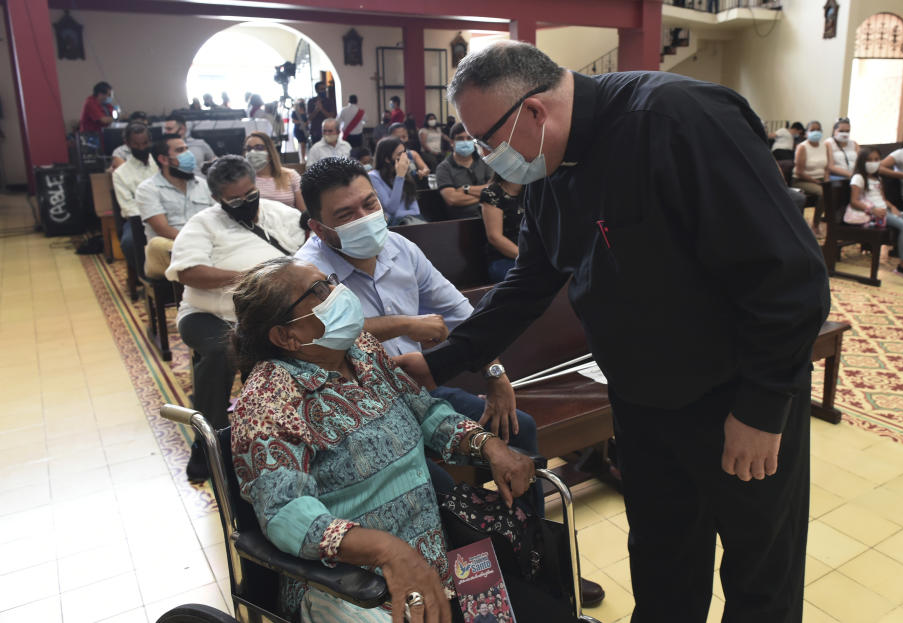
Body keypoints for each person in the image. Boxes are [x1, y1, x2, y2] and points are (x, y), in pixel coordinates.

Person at [410, 41, 829, 623]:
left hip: (737, 395)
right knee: (661, 564)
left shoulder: (680, 120)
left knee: (760, 575)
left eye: (488, 141)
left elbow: (791, 280)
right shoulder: (549, 166)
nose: (485, 158)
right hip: (642, 401)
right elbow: (530, 284)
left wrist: (761, 408)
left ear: (534, 112)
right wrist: (441, 361)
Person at [292, 159, 606, 610]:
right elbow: (314, 338)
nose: (365, 218)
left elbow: (464, 314)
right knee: (444, 492)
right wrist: (404, 323)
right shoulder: (304, 276)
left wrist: (496, 374)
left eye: (370, 203)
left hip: (419, 393)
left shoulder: (400, 248)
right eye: (346, 215)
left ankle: (538, 562)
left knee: (518, 429)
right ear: (319, 229)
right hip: (362, 415)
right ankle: (474, 584)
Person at [228, 256, 570, 623]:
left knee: (551, 613)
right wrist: (386, 551)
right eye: (318, 291)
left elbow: (426, 413)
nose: (336, 291)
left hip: (438, 553)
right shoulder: (268, 397)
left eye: (328, 280)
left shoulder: (362, 351)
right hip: (351, 585)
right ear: (285, 335)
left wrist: (490, 446)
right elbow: (285, 514)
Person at [166, 155, 304, 482]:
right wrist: (251, 277)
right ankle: (208, 443)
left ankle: (296, 432)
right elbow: (189, 272)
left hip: (272, 314)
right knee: (221, 351)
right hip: (210, 315)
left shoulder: (282, 215)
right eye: (236, 199)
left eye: (251, 194)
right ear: (217, 199)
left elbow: (311, 252)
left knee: (312, 341)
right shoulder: (202, 224)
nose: (247, 203)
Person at [136, 134, 214, 277]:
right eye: (180, 150)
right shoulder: (148, 189)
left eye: (186, 149)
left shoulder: (202, 184)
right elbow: (162, 229)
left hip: (206, 244)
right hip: (171, 248)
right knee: (159, 245)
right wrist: (196, 242)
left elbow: (217, 216)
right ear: (163, 159)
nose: (188, 154)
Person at [848, 147, 903, 281]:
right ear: (862, 162)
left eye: (876, 160)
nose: (873, 163)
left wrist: (893, 207)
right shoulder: (858, 178)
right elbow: (854, 201)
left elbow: (883, 199)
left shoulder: (878, 178)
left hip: (885, 210)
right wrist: (872, 210)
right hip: (874, 214)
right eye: (869, 160)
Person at [111, 123, 158, 261]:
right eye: (136, 145)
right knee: (129, 243)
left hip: (169, 214)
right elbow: (129, 208)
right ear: (127, 144)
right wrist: (154, 218)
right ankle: (147, 277)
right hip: (138, 220)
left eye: (145, 143)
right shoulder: (120, 173)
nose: (142, 148)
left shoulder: (161, 163)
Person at [435, 123, 493, 220]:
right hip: (460, 222)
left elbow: (494, 188)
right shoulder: (443, 168)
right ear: (452, 142)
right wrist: (485, 196)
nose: (465, 142)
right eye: (460, 139)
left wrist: (465, 189)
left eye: (469, 138)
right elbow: (452, 199)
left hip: (488, 217)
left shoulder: (484, 161)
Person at [243, 131, 307, 212]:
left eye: (259, 148)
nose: (252, 152)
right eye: (248, 149)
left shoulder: (291, 175)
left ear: (270, 151)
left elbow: (303, 211)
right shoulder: (243, 180)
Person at [369, 137, 425, 225]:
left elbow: (416, 211)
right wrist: (400, 177)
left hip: (411, 221)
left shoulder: (406, 175)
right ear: (387, 159)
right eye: (399, 154)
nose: (404, 158)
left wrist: (396, 214)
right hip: (393, 225)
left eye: (404, 153)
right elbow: (391, 209)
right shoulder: (374, 177)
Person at [479, 174, 523, 281]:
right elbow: (495, 237)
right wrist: (528, 257)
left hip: (532, 255)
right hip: (504, 258)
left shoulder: (534, 189)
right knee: (529, 279)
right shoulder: (492, 193)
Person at [792, 120, 828, 234]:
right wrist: (816, 182)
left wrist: (826, 180)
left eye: (818, 130)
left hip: (820, 179)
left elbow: (827, 167)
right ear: (806, 133)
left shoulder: (824, 146)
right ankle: (815, 224)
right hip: (801, 180)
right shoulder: (802, 147)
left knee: (835, 189)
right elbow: (799, 172)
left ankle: (834, 224)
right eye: (812, 130)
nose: (815, 132)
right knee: (824, 192)